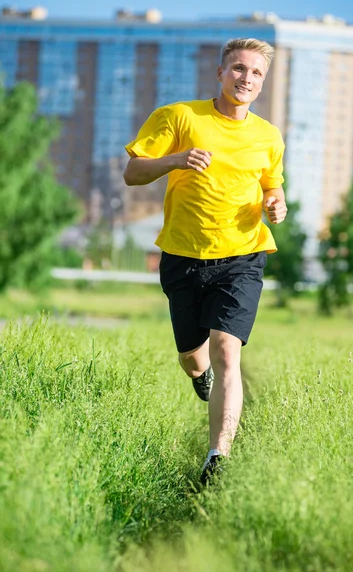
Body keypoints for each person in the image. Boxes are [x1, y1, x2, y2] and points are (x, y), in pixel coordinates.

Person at [123, 37, 287, 485]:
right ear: (220, 73)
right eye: (238, 68)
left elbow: (273, 186)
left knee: (227, 350)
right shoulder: (179, 116)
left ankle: (218, 456)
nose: (246, 78)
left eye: (255, 73)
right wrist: (175, 160)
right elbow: (132, 173)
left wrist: (277, 204)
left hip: (244, 253)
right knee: (195, 362)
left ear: (263, 82)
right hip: (183, 254)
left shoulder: (269, 136)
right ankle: (201, 377)